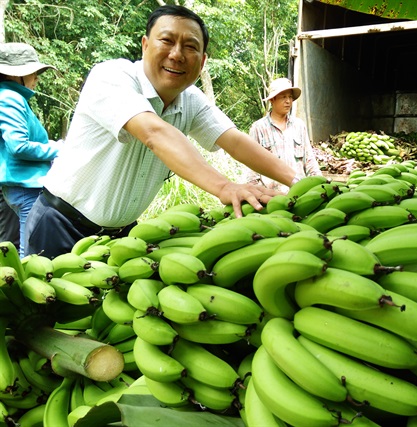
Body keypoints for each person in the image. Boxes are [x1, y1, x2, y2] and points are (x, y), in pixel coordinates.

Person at [25, 5, 298, 258]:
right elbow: (153, 133)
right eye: (166, 41)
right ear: (145, 45)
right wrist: (225, 187)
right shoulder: (111, 77)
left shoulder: (191, 99)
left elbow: (235, 142)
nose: (177, 54)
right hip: (60, 225)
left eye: (190, 46)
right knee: (49, 309)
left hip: (122, 236)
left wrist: (298, 182)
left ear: (202, 61)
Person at [0, 42, 61, 257]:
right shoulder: (10, 98)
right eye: (33, 73)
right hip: (26, 187)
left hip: (20, 187)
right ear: (16, 76)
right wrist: (56, 149)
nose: (36, 79)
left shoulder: (10, 97)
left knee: (26, 248)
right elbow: (19, 146)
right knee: (32, 253)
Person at [247, 77, 322, 193]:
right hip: (271, 196)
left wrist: (321, 184)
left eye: (290, 97)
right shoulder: (259, 128)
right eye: (283, 97)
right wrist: (255, 192)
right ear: (272, 100)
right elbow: (251, 166)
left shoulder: (299, 125)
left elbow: (310, 160)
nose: (288, 101)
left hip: (300, 192)